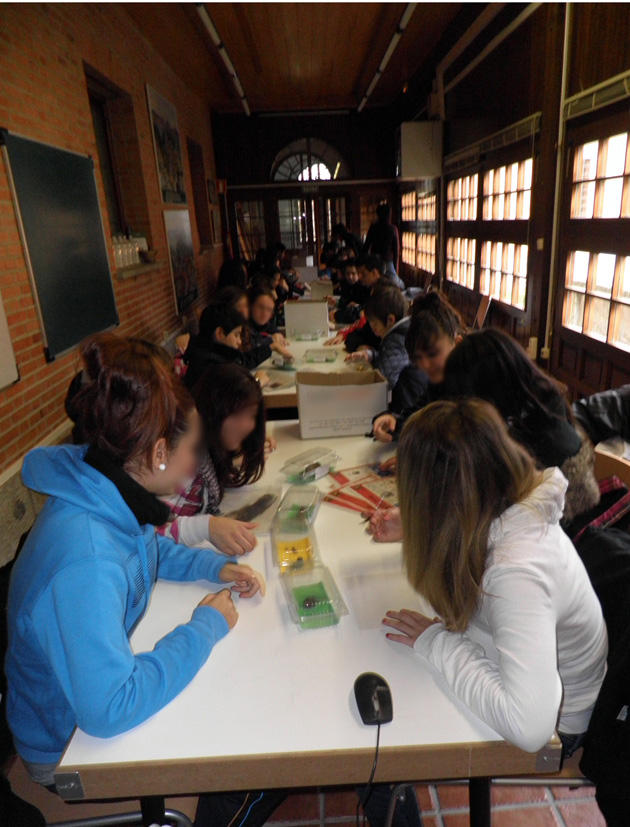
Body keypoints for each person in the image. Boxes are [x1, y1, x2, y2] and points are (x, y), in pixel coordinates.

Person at [5, 333, 263, 791]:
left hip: (91, 689)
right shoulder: (84, 559)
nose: (194, 461)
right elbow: (111, 707)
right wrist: (204, 627)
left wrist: (209, 568)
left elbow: (147, 549)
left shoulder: (109, 490)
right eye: (190, 448)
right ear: (159, 453)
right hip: (67, 746)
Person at [383, 399, 608, 756]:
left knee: (409, 707)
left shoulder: (515, 571)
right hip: (531, 671)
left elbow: (530, 727)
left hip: (561, 726)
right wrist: (419, 529)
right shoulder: (509, 508)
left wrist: (437, 642)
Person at [442, 328, 601, 529]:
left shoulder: (538, 444)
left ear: (488, 393)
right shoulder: (542, 404)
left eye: (466, 399)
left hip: (558, 535)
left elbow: (485, 516)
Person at [158, 363, 268, 556]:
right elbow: (150, 534)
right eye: (237, 414)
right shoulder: (183, 463)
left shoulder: (208, 454)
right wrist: (206, 527)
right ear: (213, 409)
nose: (245, 425)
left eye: (250, 416)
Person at [371, 290, 464, 443]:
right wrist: (392, 420)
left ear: (457, 343)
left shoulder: (474, 380)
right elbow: (419, 413)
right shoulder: (439, 379)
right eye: (419, 358)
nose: (426, 365)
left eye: (433, 354)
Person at [183, 303, 292, 390]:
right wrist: (257, 382)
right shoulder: (206, 364)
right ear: (220, 333)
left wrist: (270, 347)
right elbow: (232, 397)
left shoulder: (217, 353)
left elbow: (242, 360)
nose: (239, 341)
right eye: (236, 334)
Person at [345, 285, 410, 389]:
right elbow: (390, 360)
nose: (374, 330)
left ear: (390, 320)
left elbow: (383, 381)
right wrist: (371, 355)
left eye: (375, 325)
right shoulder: (402, 331)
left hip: (402, 403)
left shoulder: (396, 340)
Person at [362, 204, 402, 285]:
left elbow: (366, 246)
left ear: (378, 215)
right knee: (397, 284)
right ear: (389, 215)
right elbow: (396, 251)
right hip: (388, 261)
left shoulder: (373, 227)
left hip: (374, 260)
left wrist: (365, 261)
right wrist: (395, 269)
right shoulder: (393, 229)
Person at [330, 258, 370, 325]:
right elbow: (344, 302)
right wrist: (336, 302)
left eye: (353, 273)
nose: (350, 277)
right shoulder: (345, 284)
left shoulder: (365, 286)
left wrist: (357, 306)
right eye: (347, 274)